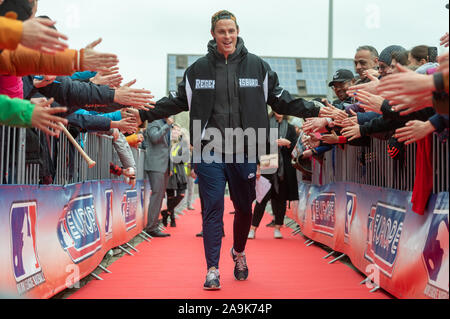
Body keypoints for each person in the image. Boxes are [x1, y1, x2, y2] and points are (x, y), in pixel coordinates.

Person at [137, 10, 322, 290]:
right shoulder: (197, 70)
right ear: (213, 34)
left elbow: (282, 100)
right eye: (222, 31)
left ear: (237, 32)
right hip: (209, 151)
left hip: (246, 149)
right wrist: (141, 113)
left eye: (231, 31)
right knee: (212, 207)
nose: (227, 36)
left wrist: (316, 108)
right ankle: (212, 269)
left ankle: (238, 252)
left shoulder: (257, 67)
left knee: (244, 208)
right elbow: (175, 101)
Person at [248, 111, 298, 239]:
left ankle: (278, 227)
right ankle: (253, 228)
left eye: (282, 109)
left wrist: (288, 144)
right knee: (262, 197)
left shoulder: (291, 128)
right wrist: (258, 166)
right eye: (277, 108)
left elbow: (296, 148)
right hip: (268, 161)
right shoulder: (265, 126)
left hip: (284, 167)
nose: (280, 112)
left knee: (280, 198)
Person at [141, 117, 174, 238]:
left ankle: (154, 225)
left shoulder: (165, 124)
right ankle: (151, 227)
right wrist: (167, 126)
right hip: (155, 165)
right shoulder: (154, 122)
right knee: (156, 195)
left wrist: (169, 167)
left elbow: (167, 147)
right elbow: (154, 138)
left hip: (164, 166)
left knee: (159, 196)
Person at [161, 124, 189, 227]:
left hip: (180, 174)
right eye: (173, 131)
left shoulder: (183, 144)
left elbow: (184, 158)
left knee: (181, 195)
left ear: (180, 133)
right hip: (169, 173)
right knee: (170, 197)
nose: (175, 133)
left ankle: (166, 212)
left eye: (177, 131)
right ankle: (172, 219)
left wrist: (172, 158)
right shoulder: (166, 143)